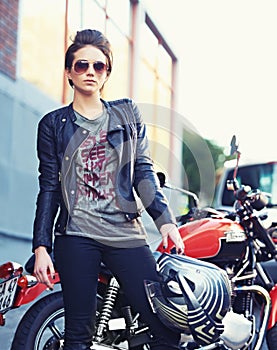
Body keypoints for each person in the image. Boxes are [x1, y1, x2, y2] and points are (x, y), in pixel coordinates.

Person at [32, 29, 185, 350]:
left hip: (125, 234)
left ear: (106, 74)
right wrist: (41, 246)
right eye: (81, 65)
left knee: (164, 327)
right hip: (76, 238)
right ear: (69, 73)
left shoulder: (126, 113)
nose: (90, 71)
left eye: (98, 67)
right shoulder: (52, 124)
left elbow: (142, 170)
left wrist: (165, 220)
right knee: (77, 337)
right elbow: (48, 186)